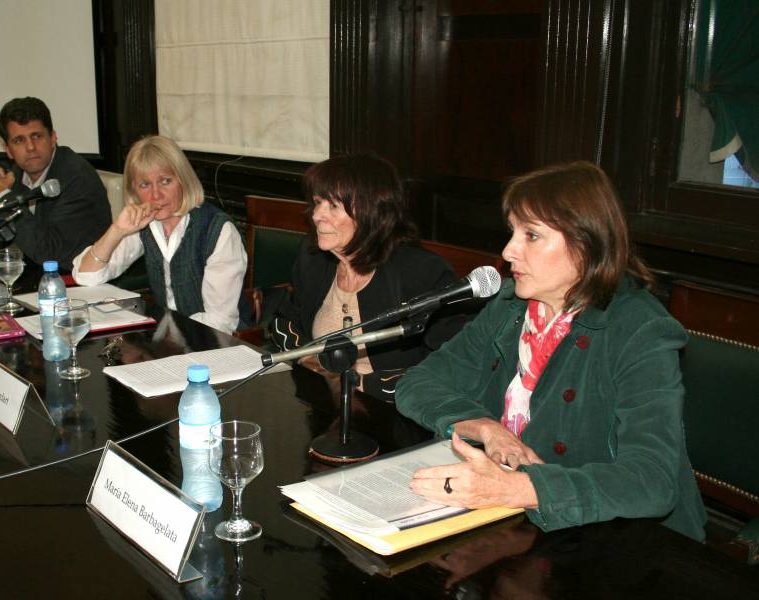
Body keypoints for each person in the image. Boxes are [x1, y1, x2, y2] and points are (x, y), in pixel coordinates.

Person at [395, 161, 707, 540]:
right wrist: (487, 428)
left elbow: (651, 481)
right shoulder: (511, 307)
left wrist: (517, 489)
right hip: (520, 528)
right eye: (512, 232)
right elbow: (418, 383)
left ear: (586, 243)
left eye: (532, 235)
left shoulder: (641, 329)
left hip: (620, 542)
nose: (508, 251)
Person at [268, 154, 459, 401]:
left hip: (393, 413)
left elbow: (452, 365)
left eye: (332, 206)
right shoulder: (314, 258)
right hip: (322, 400)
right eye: (317, 202)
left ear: (371, 212)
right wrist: (307, 356)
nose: (316, 215)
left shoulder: (421, 273)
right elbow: (285, 320)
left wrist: (358, 383)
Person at [72, 135, 248, 334]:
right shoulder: (146, 223)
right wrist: (117, 230)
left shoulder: (217, 230)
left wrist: (163, 343)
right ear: (134, 191)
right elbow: (87, 276)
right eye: (145, 185)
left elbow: (220, 321)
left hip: (219, 344)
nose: (156, 195)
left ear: (183, 180)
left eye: (165, 181)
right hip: (170, 339)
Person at [0, 97, 112, 271]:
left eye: (37, 136)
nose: (30, 147)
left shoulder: (77, 178)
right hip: (34, 277)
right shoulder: (14, 174)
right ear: (7, 149)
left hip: (76, 282)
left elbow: (51, 254)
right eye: (19, 140)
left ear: (53, 138)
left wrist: (3, 196)